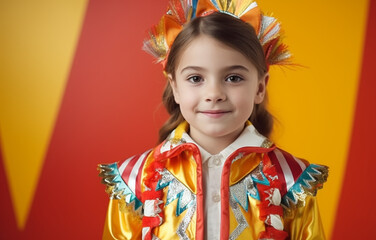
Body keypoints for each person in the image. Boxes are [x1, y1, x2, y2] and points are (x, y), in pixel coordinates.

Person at [98, 0, 328, 239]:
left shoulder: (292, 180)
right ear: (174, 87)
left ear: (260, 87)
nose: (214, 94)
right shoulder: (134, 180)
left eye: (233, 78)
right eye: (196, 78)